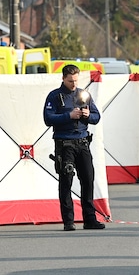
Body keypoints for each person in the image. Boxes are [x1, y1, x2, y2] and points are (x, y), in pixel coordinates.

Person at [43, 64, 105, 231]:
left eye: (76, 80)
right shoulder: (55, 96)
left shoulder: (83, 94)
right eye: (70, 81)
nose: (73, 84)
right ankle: (68, 221)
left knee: (88, 180)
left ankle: (90, 220)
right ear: (63, 78)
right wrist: (68, 116)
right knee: (66, 181)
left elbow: (97, 116)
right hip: (64, 144)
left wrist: (87, 115)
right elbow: (48, 118)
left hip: (83, 142)